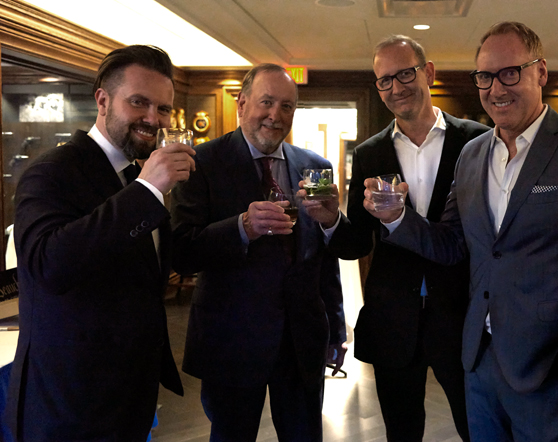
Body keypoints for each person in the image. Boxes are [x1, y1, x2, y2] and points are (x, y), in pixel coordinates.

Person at [378, 22, 558, 441]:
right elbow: (453, 243)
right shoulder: (471, 155)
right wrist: (397, 217)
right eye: (485, 77)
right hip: (479, 363)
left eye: (510, 73)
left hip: (551, 365)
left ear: (540, 72)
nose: (496, 88)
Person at [301, 35, 488, 441]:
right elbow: (357, 243)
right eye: (385, 80)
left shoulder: (477, 141)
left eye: (405, 74)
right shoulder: (369, 153)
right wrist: (330, 219)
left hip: (461, 314)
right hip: (393, 319)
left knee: (478, 427)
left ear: (429, 73)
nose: (396, 87)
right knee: (401, 432)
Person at [4, 45, 195, 441]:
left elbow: (150, 266)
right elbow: (47, 265)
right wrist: (147, 190)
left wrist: (244, 226)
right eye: (138, 102)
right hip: (69, 405)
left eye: (163, 108)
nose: (153, 119)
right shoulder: (51, 171)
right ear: (103, 100)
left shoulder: (134, 176)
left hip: (129, 396)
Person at [170, 63, 346, 442]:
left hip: (301, 341)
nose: (275, 115)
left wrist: (335, 326)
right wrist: (242, 228)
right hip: (232, 340)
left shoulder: (315, 167)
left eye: (287, 106)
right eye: (266, 102)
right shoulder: (202, 163)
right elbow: (182, 251)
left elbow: (323, 258)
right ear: (242, 103)